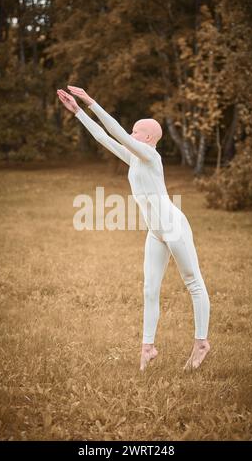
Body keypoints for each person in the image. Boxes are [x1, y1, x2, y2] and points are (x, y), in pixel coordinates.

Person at [57, 87, 210, 372]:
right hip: (156, 232)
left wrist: (91, 101)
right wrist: (78, 113)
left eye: (136, 132)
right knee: (149, 288)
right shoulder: (135, 159)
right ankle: (148, 347)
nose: (131, 134)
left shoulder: (152, 158)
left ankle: (201, 343)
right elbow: (104, 138)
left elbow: (116, 133)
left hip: (174, 227)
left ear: (148, 138)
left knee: (193, 282)